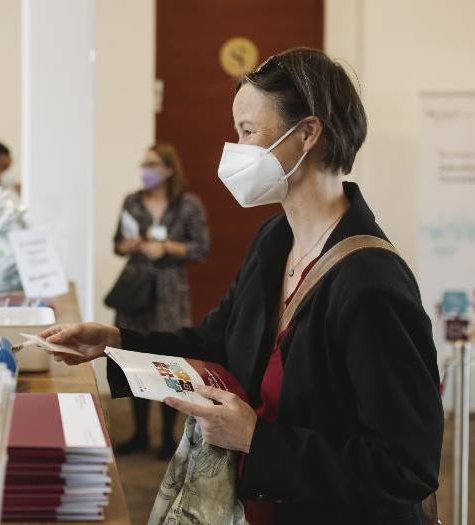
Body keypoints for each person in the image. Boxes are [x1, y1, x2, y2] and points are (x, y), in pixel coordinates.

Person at [39, 48, 442, 524]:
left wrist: (257, 439)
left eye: (248, 131)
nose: (235, 149)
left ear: (308, 133)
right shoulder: (276, 239)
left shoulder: (371, 283)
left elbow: (406, 468)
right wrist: (117, 343)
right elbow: (214, 342)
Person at [111, 143, 209, 459]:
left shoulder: (188, 204)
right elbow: (117, 244)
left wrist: (166, 247)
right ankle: (139, 433)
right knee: (134, 360)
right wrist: (130, 245)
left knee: (168, 362)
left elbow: (200, 249)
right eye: (144, 163)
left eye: (152, 164)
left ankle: (167, 437)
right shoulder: (132, 201)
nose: (145, 169)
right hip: (135, 290)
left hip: (169, 292)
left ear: (168, 169)